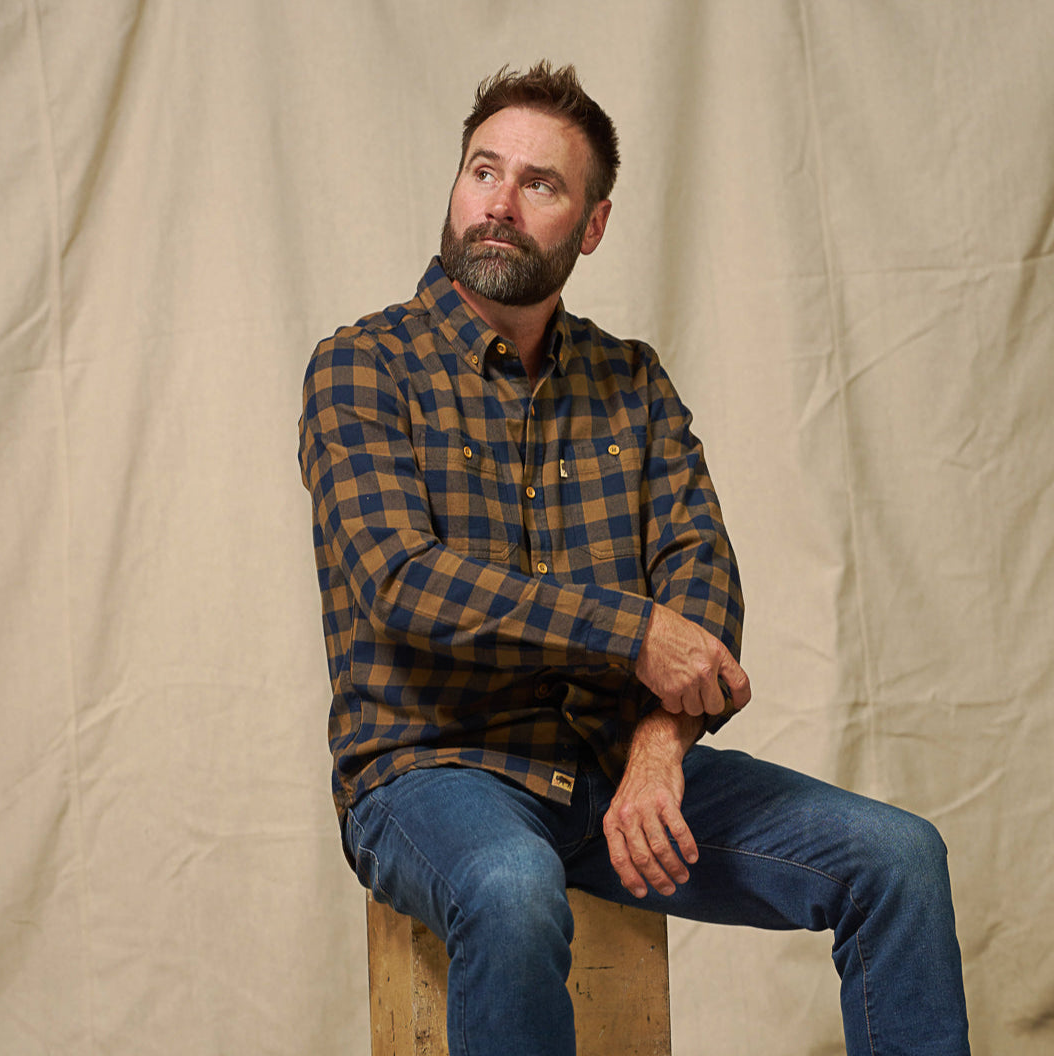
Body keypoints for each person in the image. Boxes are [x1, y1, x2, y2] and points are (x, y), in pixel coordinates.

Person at [298, 62, 970, 1055]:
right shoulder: (363, 363)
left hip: (617, 771)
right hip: (431, 771)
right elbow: (404, 582)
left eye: (540, 184)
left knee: (899, 857)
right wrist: (634, 631)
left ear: (593, 223)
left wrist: (661, 749)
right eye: (485, 170)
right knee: (511, 885)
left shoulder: (631, 381)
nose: (500, 203)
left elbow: (703, 575)